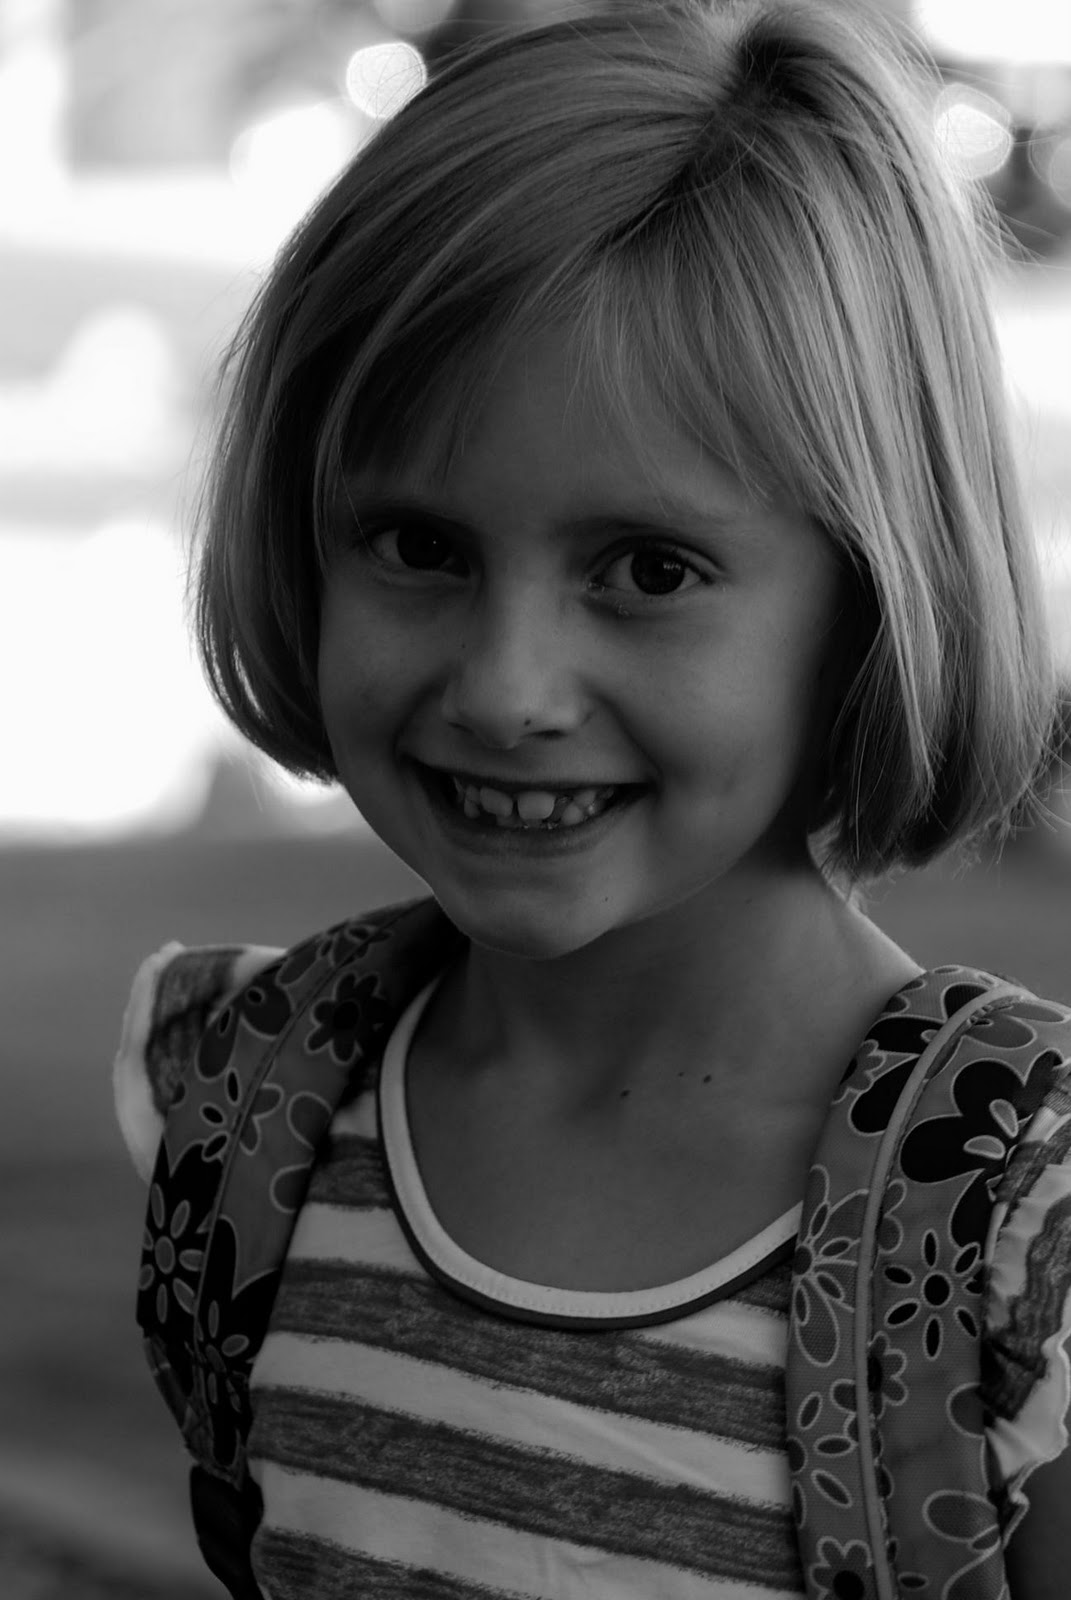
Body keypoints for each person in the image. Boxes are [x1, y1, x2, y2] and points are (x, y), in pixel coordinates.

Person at [113, 0, 1071, 1595]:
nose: (507, 688)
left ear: (873, 597)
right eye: (420, 546)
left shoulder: (1018, 1228)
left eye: (649, 569)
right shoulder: (245, 1113)